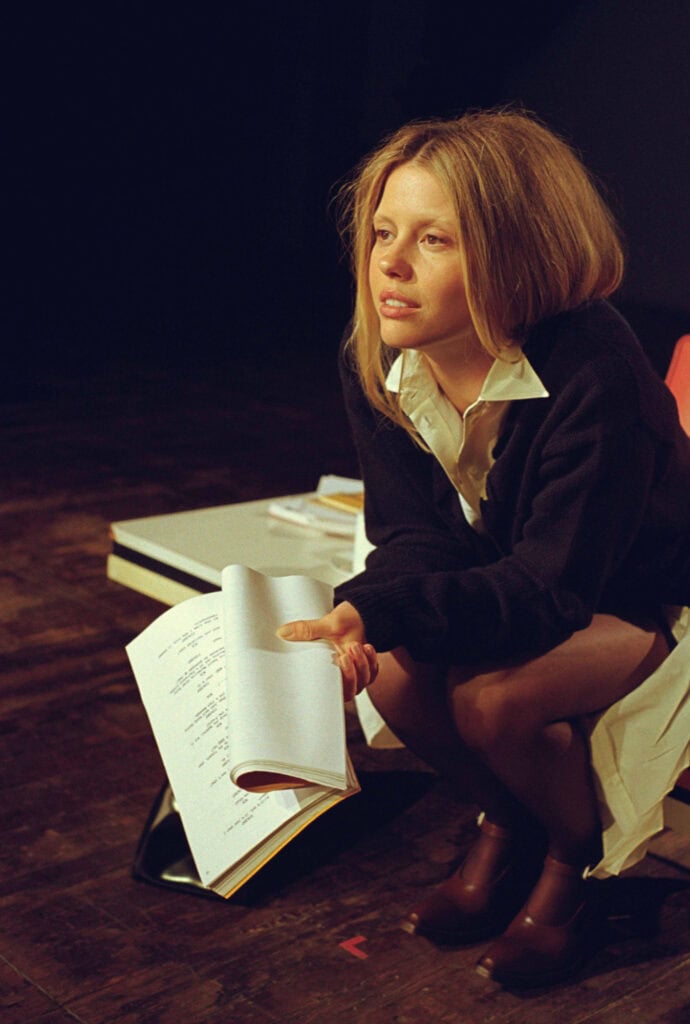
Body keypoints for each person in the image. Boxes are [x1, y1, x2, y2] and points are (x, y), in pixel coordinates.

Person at [277, 109, 690, 988]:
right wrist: (366, 612)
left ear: (515, 253)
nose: (390, 264)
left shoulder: (596, 371)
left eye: (434, 240)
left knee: (493, 702)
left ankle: (569, 865)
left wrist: (384, 609)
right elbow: (414, 535)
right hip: (529, 580)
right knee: (392, 673)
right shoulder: (380, 356)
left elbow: (552, 588)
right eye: (383, 232)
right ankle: (507, 823)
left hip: (645, 595)